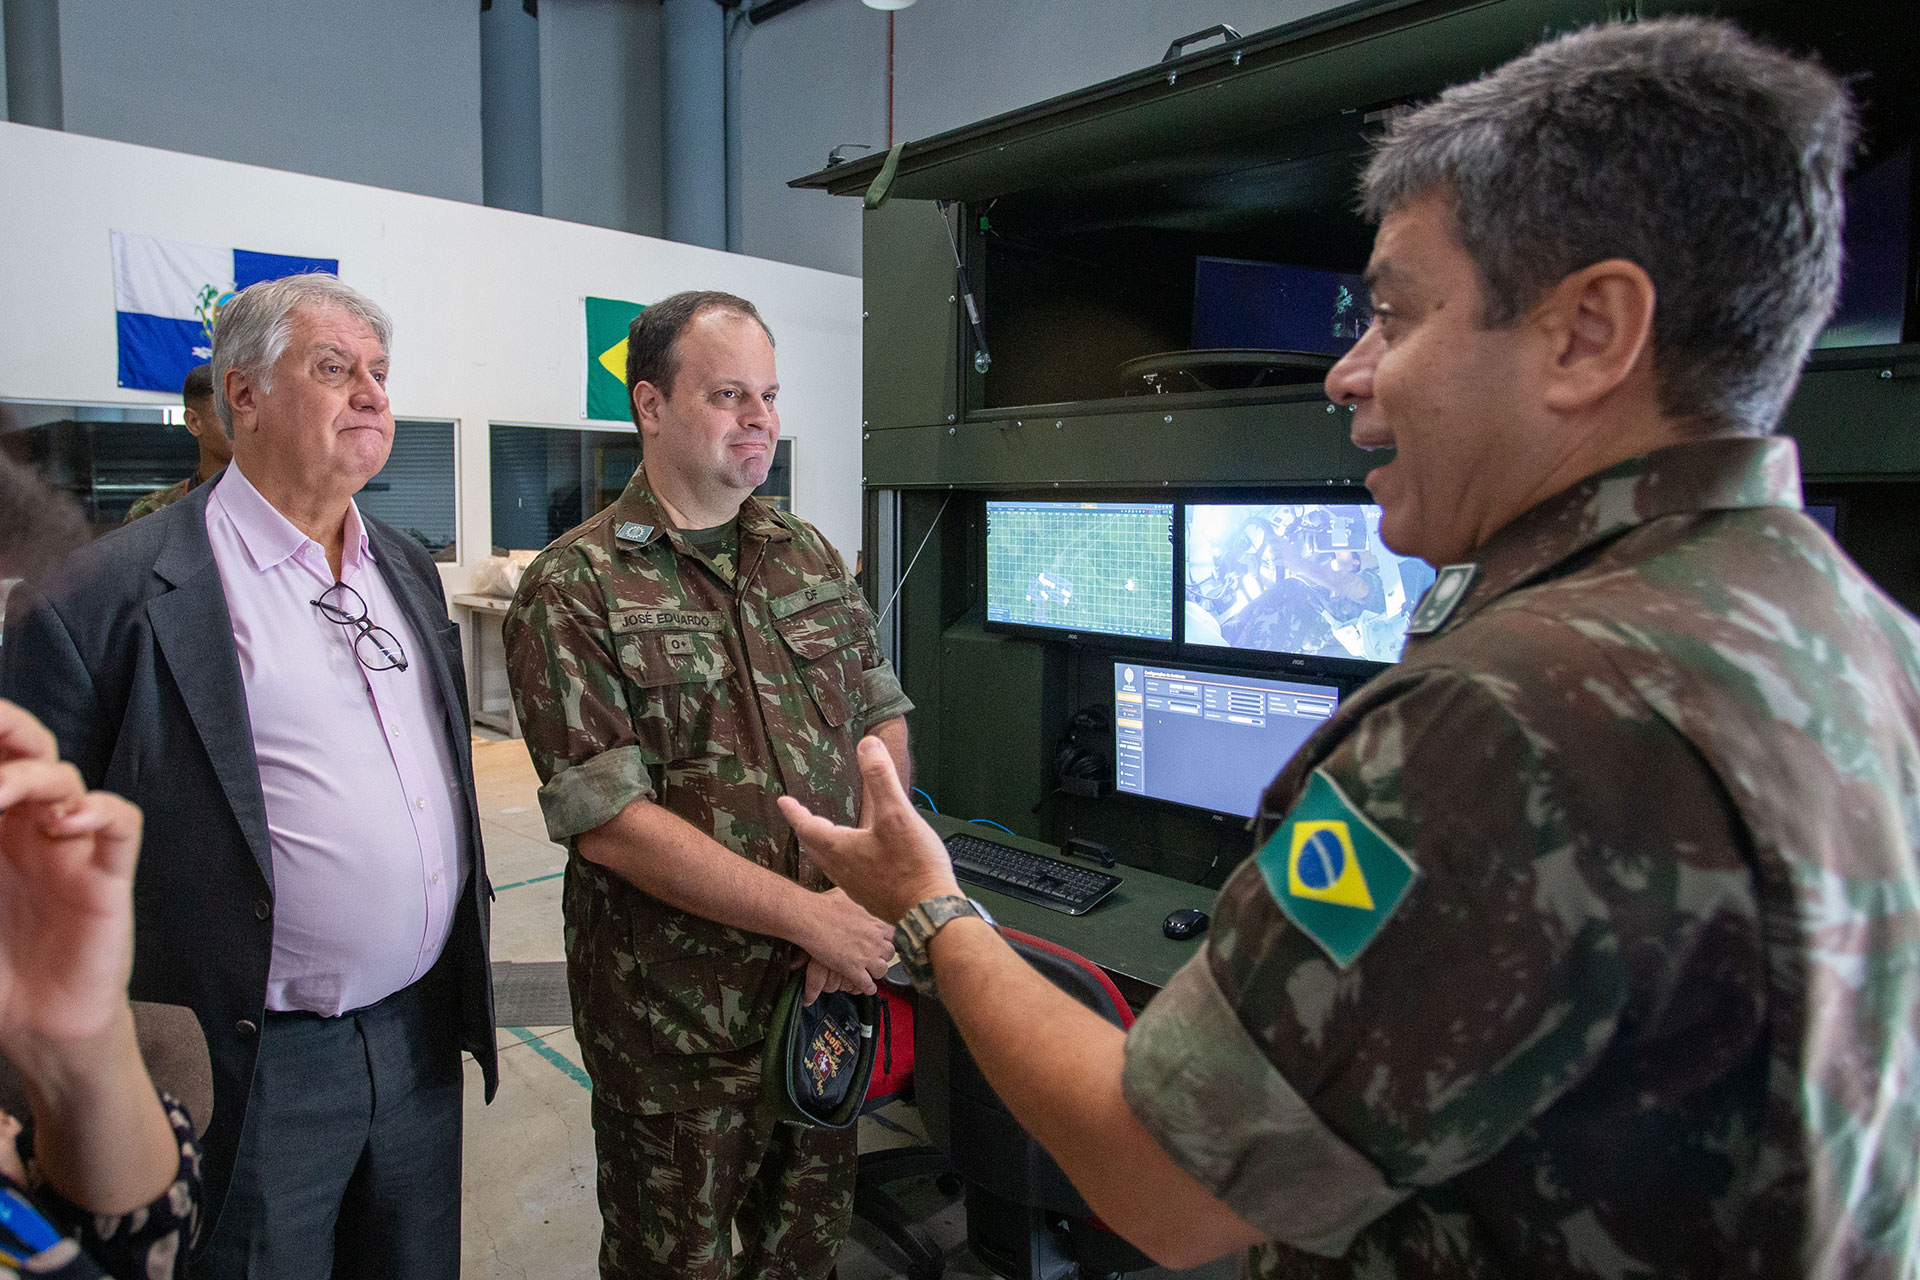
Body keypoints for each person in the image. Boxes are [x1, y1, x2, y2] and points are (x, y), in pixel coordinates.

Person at [778, 18, 1918, 1280]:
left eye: (1394, 313)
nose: (1347, 373)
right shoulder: (1864, 637)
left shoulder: (1498, 721)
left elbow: (1159, 1175)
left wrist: (932, 906)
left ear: (1590, 332)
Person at [0, 273, 498, 1280]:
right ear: (245, 395)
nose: (371, 394)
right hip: (251, 1060)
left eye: (380, 374)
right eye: (333, 368)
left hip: (417, 1041)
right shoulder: (102, 598)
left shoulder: (404, 567)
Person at [503, 290, 912, 1280]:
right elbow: (611, 822)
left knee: (806, 1255)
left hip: (821, 1000)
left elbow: (881, 724)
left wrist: (850, 902)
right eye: (728, 393)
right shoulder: (577, 585)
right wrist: (809, 918)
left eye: (767, 393)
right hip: (674, 1027)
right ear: (650, 403)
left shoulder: (806, 554)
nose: (759, 416)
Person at [124, 364, 231, 523]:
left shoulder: (274, 505)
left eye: (249, 412)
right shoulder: (153, 513)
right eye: (227, 415)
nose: (245, 425)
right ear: (193, 422)